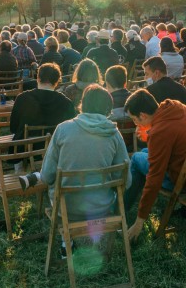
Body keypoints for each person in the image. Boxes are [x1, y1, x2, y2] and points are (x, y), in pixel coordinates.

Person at [18, 85, 129, 245]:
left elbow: (48, 175)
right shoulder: (114, 134)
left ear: (82, 104)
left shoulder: (63, 129)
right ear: (108, 109)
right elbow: (126, 179)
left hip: (67, 207)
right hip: (101, 207)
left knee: (52, 182)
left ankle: (66, 242)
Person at [124, 89, 186, 241]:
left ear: (143, 116)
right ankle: (130, 202)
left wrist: (140, 220)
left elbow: (155, 177)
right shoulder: (175, 107)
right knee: (147, 150)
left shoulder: (160, 131)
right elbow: (171, 140)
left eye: (135, 119)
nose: (135, 124)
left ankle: (124, 207)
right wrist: (150, 136)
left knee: (137, 157)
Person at [10, 63, 76, 143]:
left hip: (24, 150)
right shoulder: (66, 103)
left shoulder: (22, 98)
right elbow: (70, 131)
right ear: (57, 81)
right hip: (55, 149)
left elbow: (13, 128)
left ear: (38, 78)